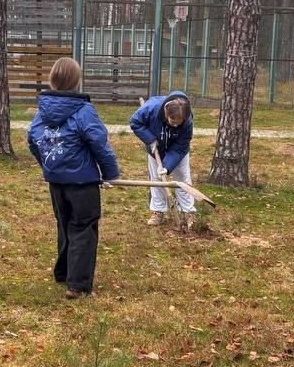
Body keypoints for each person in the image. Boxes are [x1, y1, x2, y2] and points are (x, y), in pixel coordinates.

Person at [27, 57, 120, 299]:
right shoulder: (83, 110)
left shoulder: (43, 109)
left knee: (65, 223)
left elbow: (33, 140)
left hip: (57, 182)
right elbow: (99, 143)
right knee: (83, 227)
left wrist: (49, 166)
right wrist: (110, 173)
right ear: (76, 81)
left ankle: (64, 272)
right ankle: (78, 285)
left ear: (53, 80)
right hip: (82, 183)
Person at [128, 90, 195, 228]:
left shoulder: (187, 121)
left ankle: (188, 212)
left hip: (178, 151)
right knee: (156, 179)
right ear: (166, 113)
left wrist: (167, 166)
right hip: (155, 149)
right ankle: (158, 211)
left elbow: (180, 147)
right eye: (173, 122)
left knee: (183, 180)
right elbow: (135, 122)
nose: (176, 125)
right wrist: (150, 139)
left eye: (179, 123)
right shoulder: (151, 107)